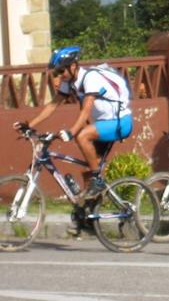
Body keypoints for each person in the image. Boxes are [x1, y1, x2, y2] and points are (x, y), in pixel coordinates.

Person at [17, 46, 132, 201]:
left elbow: (86, 110)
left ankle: (98, 181)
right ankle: (88, 212)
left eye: (61, 71)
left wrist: (71, 132)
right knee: (87, 171)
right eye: (56, 73)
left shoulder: (90, 78)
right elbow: (53, 105)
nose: (59, 76)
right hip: (103, 124)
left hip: (120, 122)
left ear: (73, 66)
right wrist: (30, 125)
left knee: (82, 136)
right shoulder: (69, 81)